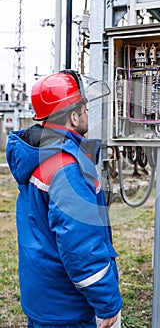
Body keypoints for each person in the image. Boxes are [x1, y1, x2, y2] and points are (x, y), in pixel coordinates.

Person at [6, 69, 122, 328]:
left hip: (44, 297)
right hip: (66, 309)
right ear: (73, 116)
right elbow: (80, 246)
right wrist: (107, 302)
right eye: (84, 108)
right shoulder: (66, 167)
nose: (88, 115)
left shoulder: (38, 154)